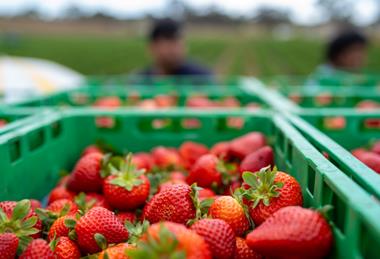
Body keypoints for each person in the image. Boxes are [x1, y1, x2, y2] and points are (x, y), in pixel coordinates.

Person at [136, 18, 213, 82]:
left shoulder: (201, 77)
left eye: (179, 42)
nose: (176, 49)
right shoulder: (140, 80)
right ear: (152, 47)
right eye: (169, 42)